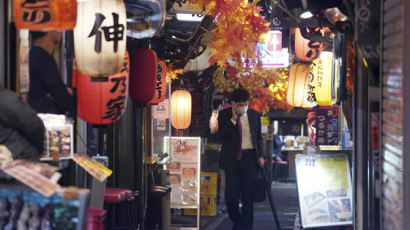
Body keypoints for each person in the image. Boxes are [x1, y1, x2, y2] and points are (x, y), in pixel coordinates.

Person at [218, 88, 265, 230]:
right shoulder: (224, 115)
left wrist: (261, 155)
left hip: (250, 159)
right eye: (240, 104)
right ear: (233, 104)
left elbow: (258, 138)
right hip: (231, 160)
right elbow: (222, 137)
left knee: (247, 197)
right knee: (231, 197)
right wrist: (233, 119)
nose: (244, 106)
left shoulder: (255, 115)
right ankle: (238, 223)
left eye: (246, 103)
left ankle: (246, 227)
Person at [28, 31, 73, 114]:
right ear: (49, 28)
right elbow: (64, 99)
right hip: (46, 120)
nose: (61, 30)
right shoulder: (43, 59)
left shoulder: (33, 55)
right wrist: (67, 92)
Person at [0, 89, 45, 161]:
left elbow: (34, 125)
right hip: (18, 157)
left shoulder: (4, 100)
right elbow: (34, 124)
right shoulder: (4, 99)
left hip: (17, 156)